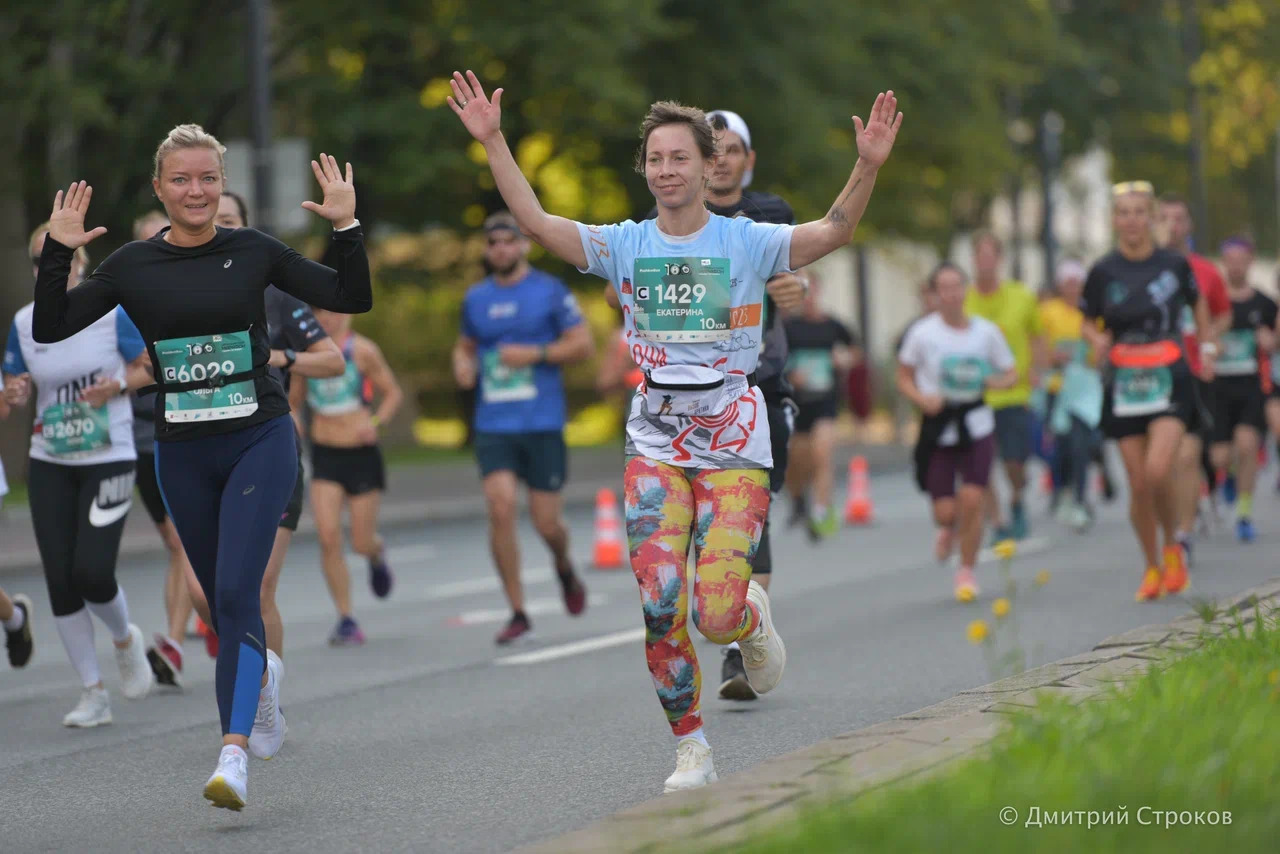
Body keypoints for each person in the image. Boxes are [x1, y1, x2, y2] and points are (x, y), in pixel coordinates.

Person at [449, 68, 901, 791]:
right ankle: (691, 748)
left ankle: (749, 622)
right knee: (661, 604)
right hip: (656, 441)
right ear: (646, 170)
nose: (666, 170)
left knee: (714, 614)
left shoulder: (747, 241)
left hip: (731, 442)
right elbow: (537, 223)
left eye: (680, 158)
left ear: (706, 165)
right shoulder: (625, 245)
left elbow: (834, 230)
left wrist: (867, 165)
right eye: (655, 159)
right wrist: (496, 142)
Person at [33, 124, 371, 808]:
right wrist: (58, 254)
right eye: (182, 180)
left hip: (259, 438)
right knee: (220, 604)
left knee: (241, 593)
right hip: (183, 449)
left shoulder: (253, 251)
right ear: (160, 188)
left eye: (209, 179)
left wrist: (347, 226)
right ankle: (263, 689)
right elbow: (51, 326)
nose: (197, 191)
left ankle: (233, 753)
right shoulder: (130, 265)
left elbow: (351, 296)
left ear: (222, 187)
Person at [158, 189, 346, 715]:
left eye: (230, 220)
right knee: (206, 595)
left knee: (258, 587)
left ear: (243, 229)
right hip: (200, 452)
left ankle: (263, 701)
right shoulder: (177, 291)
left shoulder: (277, 292)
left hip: (265, 450)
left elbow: (333, 361)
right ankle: (254, 669)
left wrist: (279, 357)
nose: (216, 227)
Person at [5, 224, 156, 726]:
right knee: (61, 579)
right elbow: (13, 386)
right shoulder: (26, 322)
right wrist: (15, 393)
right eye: (42, 259)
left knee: (92, 571)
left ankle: (124, 638)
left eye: (65, 258)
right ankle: (92, 691)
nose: (54, 267)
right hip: (51, 459)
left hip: (108, 455)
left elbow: (148, 368)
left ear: (82, 264)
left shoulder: (111, 313)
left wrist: (115, 386)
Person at [452, 211, 592, 644]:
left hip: (542, 420)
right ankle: (517, 609)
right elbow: (466, 345)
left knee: (547, 522)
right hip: (494, 423)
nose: (501, 250)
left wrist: (532, 355)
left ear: (524, 245)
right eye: (493, 243)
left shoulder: (550, 291)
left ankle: (564, 567)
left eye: (508, 241)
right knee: (500, 506)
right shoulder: (476, 298)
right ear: (486, 249)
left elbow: (582, 345)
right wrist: (461, 364)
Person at [1081, 181, 1212, 601]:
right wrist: (1095, 339)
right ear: (1115, 221)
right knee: (1138, 483)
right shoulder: (1103, 271)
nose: (1132, 220)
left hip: (1168, 373)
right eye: (1124, 212)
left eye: (1140, 212)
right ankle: (1152, 566)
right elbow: (1087, 317)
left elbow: (1199, 303)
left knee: (1159, 471)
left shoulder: (1173, 265)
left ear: (1152, 218)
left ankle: (1173, 547)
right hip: (1124, 380)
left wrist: (1206, 347)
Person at [899, 263, 1017, 598]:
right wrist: (923, 399)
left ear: (965, 290)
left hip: (976, 423)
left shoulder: (986, 332)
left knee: (973, 498)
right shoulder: (922, 334)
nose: (951, 294)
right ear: (935, 295)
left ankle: (966, 570)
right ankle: (947, 528)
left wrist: (997, 381)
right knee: (946, 511)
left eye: (957, 286)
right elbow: (903, 377)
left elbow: (1010, 373)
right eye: (944, 288)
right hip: (939, 428)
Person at [126, 211, 207, 684]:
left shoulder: (196, 292)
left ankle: (176, 642)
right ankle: (208, 616)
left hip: (190, 429)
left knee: (182, 541)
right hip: (141, 440)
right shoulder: (121, 302)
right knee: (176, 543)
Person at [296, 304, 402, 646]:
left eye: (333, 311)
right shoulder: (306, 354)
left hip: (360, 453)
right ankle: (346, 618)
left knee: (359, 541)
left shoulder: (363, 350)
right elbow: (292, 401)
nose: (327, 317)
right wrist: (293, 421)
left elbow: (392, 393)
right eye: (319, 312)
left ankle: (375, 552)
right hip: (325, 454)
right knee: (328, 536)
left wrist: (376, 424)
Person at [1157, 193, 1230, 563]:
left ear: (1189, 226)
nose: (1172, 226)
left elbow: (1222, 315)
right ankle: (1173, 526)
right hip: (1152, 376)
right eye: (1165, 218)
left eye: (1179, 218)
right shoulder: (1144, 271)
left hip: (1193, 373)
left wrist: (1209, 347)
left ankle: (1182, 537)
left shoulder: (1205, 272)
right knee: (1161, 465)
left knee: (1187, 457)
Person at [964, 231, 1046, 541]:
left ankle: (1016, 500)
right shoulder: (965, 299)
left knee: (1015, 463)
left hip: (1015, 392)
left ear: (999, 260)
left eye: (990, 257)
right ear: (973, 260)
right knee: (980, 465)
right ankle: (998, 523)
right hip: (976, 395)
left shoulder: (1021, 296)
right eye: (979, 256)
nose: (985, 263)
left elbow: (1037, 336)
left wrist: (1039, 370)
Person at [783, 271, 861, 540]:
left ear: (818, 291)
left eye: (811, 290)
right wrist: (791, 374)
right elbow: (775, 361)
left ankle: (820, 511)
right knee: (795, 462)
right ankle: (798, 501)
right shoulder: (788, 327)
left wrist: (844, 360)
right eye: (801, 291)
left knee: (822, 454)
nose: (807, 297)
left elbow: (853, 350)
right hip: (796, 403)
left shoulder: (833, 326)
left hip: (825, 401)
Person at [1208, 236, 1275, 542]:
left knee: (1247, 444)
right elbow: (1199, 335)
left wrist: (1269, 342)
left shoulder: (1264, 303)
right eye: (1229, 260)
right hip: (1217, 386)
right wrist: (1211, 345)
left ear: (1250, 261)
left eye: (1241, 259)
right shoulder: (1212, 301)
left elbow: (1275, 343)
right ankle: (1230, 477)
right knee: (1220, 457)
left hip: (1250, 384)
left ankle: (1244, 514)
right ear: (1224, 263)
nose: (1235, 265)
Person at [1039, 259, 1103, 531]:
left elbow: (1102, 344)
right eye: (1068, 283)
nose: (1073, 288)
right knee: (1062, 446)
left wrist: (1094, 358)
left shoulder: (1092, 314)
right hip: (1057, 388)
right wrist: (1054, 357)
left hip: (1085, 389)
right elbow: (1039, 347)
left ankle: (1078, 498)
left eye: (1078, 283)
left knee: (1081, 445)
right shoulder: (1047, 312)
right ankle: (1062, 489)